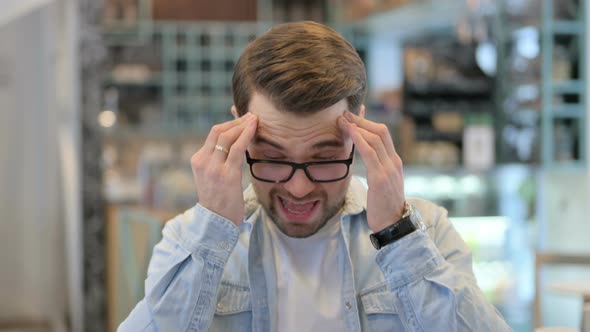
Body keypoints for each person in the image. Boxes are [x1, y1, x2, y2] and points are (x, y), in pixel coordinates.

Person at [119, 21, 512, 331]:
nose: (299, 187)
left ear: (358, 129)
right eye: (272, 158)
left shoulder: (427, 233)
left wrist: (396, 233)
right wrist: (212, 228)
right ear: (239, 131)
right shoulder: (187, 239)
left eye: (324, 158)